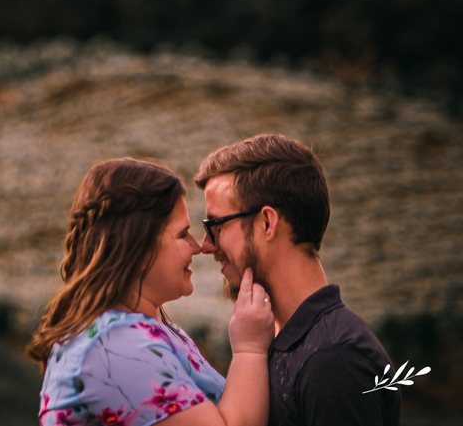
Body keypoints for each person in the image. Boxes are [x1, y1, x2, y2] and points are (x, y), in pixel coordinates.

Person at [30, 157, 274, 426]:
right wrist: (249, 349)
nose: (197, 247)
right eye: (182, 235)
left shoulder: (143, 331)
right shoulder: (114, 348)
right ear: (140, 246)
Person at [195, 134, 400, 426]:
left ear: (268, 222)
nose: (206, 245)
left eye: (215, 225)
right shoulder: (278, 341)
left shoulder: (334, 361)